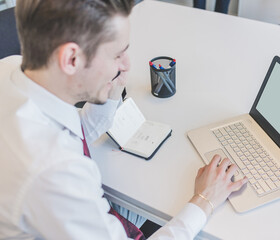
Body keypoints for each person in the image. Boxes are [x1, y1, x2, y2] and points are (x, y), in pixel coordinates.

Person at [0, 0, 247, 239]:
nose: (126, 65)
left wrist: (111, 89)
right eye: (117, 55)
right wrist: (204, 200)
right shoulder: (53, 174)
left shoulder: (10, 68)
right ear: (71, 59)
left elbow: (73, 131)